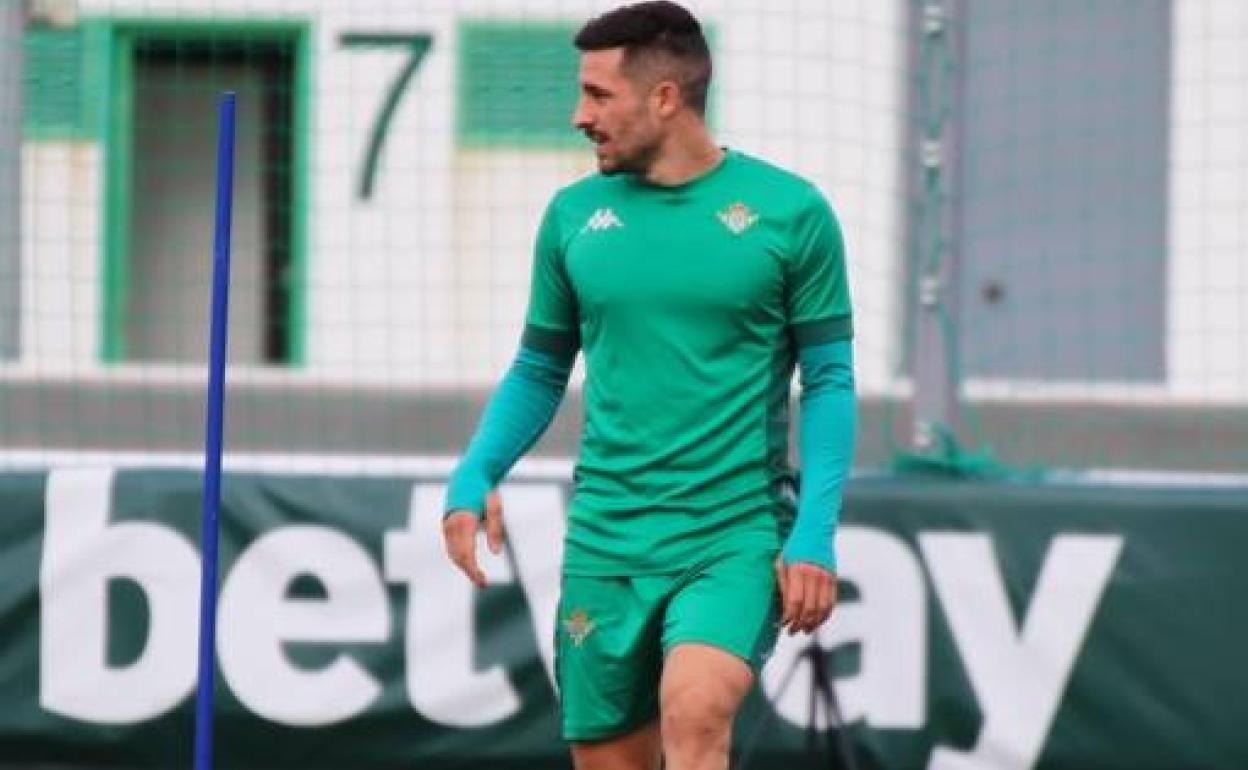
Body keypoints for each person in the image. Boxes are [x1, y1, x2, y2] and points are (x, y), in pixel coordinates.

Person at [441, 3, 856, 769]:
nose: (579, 116)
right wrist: (475, 472)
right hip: (606, 537)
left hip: (733, 533)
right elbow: (539, 368)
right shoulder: (572, 217)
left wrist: (815, 532)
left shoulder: (792, 214)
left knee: (695, 712)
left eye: (598, 95)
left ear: (664, 97)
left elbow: (829, 381)